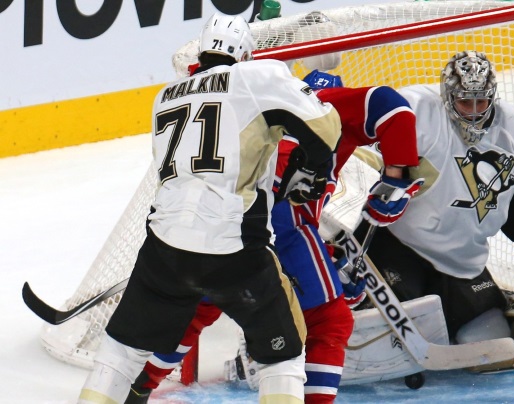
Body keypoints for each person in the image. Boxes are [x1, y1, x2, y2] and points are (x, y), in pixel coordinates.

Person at [78, 12, 341, 404]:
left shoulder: (165, 95)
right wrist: (313, 169)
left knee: (119, 352)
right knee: (282, 356)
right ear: (246, 54)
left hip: (163, 251)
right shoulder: (259, 76)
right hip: (234, 252)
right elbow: (326, 129)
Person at [124, 70, 422, 403]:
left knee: (204, 305)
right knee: (328, 321)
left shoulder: (263, 105)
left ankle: (137, 387)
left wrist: (325, 259)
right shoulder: (328, 104)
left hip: (217, 218)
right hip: (275, 217)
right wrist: (397, 177)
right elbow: (391, 105)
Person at [350, 50, 514, 374]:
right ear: (448, 97)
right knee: (390, 345)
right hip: (396, 246)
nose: (475, 113)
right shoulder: (418, 113)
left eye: (482, 102)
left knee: (492, 347)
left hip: (463, 259)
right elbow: (361, 163)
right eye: (466, 102)